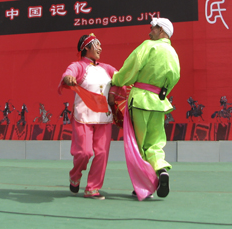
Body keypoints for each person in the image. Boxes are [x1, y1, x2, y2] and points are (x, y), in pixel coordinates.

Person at [112, 18, 180, 198]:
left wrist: (117, 80)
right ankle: (162, 170)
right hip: (159, 102)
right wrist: (162, 92)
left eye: (153, 29)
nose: (149, 32)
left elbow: (132, 66)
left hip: (141, 99)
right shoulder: (173, 52)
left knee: (138, 145)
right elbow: (174, 77)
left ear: (161, 30)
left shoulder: (149, 46)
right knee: (156, 142)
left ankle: (143, 185)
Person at [58, 33, 119, 200]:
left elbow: (120, 78)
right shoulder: (78, 66)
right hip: (83, 117)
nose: (100, 48)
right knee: (84, 152)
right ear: (86, 47)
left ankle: (92, 188)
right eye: (97, 44)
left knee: (101, 154)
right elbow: (68, 73)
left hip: (104, 118)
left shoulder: (107, 68)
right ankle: (75, 175)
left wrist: (115, 91)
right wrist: (68, 78)